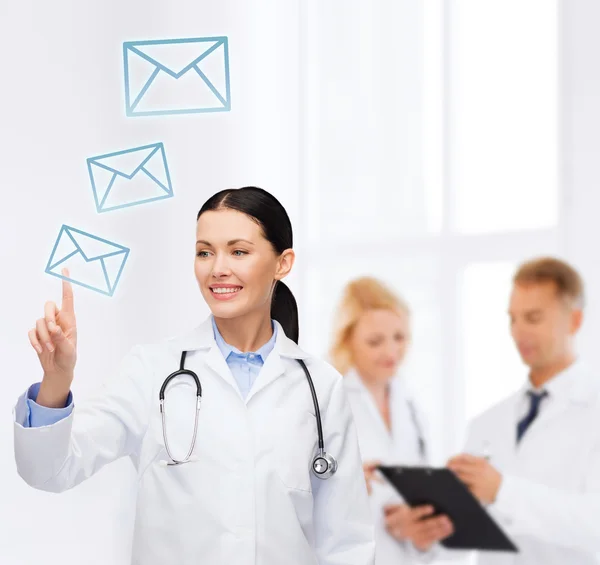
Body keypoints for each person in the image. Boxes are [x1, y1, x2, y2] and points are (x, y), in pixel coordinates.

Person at [13, 186, 376, 565]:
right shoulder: (152, 370)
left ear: (282, 263)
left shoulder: (320, 386)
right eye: (205, 252)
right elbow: (49, 471)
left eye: (238, 251)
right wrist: (57, 381)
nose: (217, 268)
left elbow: (346, 542)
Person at [447, 257, 600, 564]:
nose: (518, 333)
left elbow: (593, 523)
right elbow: (464, 536)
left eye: (533, 318)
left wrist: (503, 492)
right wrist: (429, 529)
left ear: (575, 320)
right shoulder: (486, 423)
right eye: (512, 319)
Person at [329, 277, 453, 564]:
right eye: (375, 341)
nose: (391, 352)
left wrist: (418, 531)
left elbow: (416, 500)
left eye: (399, 337)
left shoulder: (411, 408)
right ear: (347, 340)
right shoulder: (327, 405)